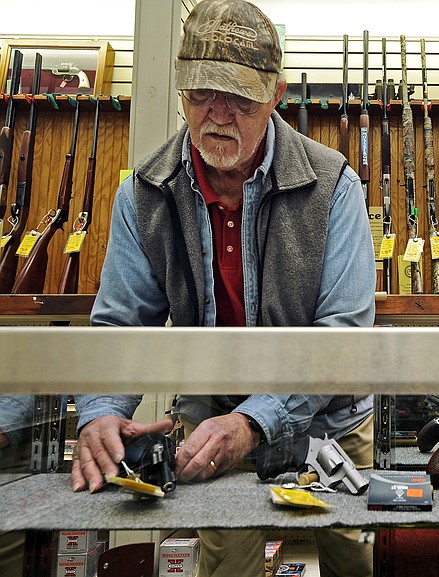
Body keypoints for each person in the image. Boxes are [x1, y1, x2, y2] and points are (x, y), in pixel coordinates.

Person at [70, 1, 376, 576]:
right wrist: (101, 414)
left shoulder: (334, 184)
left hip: (329, 427)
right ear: (182, 93)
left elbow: (343, 338)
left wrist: (255, 421)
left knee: (350, 566)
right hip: (214, 428)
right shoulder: (145, 193)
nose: (219, 114)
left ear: (277, 96)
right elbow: (121, 327)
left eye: (240, 98)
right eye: (202, 94)